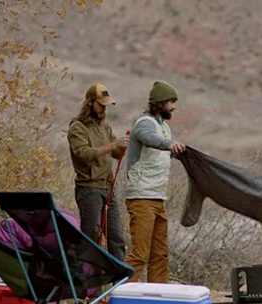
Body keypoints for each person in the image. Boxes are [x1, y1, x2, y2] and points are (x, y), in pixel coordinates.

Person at [123, 80, 186, 283]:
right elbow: (148, 138)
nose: (173, 106)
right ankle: (123, 296)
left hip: (158, 196)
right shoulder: (144, 123)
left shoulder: (165, 127)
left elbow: (166, 148)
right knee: (140, 253)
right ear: (160, 103)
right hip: (141, 196)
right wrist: (169, 145)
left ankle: (158, 296)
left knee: (160, 253)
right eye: (170, 102)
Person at [67, 83, 128, 261]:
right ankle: (87, 282)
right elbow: (84, 154)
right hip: (89, 188)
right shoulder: (77, 127)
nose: (103, 109)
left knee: (116, 237)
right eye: (101, 105)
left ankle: (120, 283)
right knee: (90, 237)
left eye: (106, 105)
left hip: (107, 187)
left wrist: (123, 146)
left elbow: (116, 153)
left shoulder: (104, 125)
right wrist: (113, 145)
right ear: (89, 103)